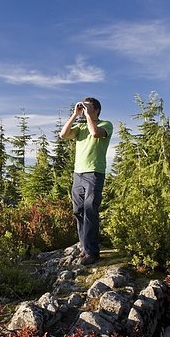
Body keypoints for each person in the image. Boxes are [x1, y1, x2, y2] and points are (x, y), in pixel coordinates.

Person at [60, 97, 113, 265]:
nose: (84, 109)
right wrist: (75, 115)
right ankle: (85, 248)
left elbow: (95, 133)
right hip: (78, 173)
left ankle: (92, 252)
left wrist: (89, 115)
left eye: (88, 106)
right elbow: (63, 134)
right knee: (79, 211)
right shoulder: (80, 127)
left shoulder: (106, 124)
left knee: (90, 210)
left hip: (94, 172)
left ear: (96, 109)